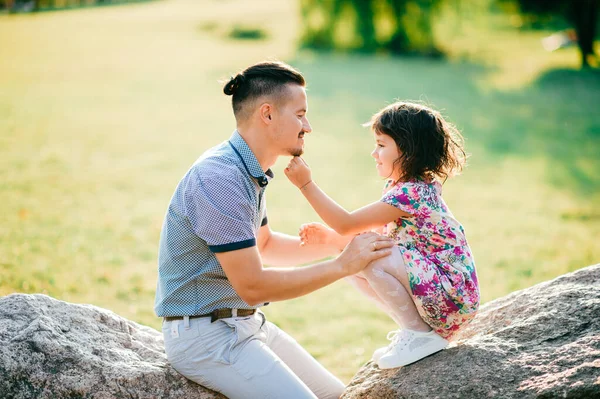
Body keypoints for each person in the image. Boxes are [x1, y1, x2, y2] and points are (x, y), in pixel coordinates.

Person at [154, 61, 394, 399]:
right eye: (300, 114)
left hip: (244, 324)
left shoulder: (247, 170)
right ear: (267, 114)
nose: (307, 126)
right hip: (206, 338)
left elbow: (264, 245)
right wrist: (343, 266)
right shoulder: (219, 178)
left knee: (338, 395)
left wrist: (338, 244)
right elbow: (252, 285)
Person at [284, 101, 480, 369]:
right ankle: (412, 331)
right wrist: (333, 241)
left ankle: (419, 334)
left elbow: (347, 224)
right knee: (354, 263)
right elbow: (368, 237)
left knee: (369, 257)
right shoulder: (403, 188)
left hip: (451, 294)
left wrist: (305, 184)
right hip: (443, 293)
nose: (374, 153)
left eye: (381, 145)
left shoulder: (410, 194)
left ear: (408, 151)